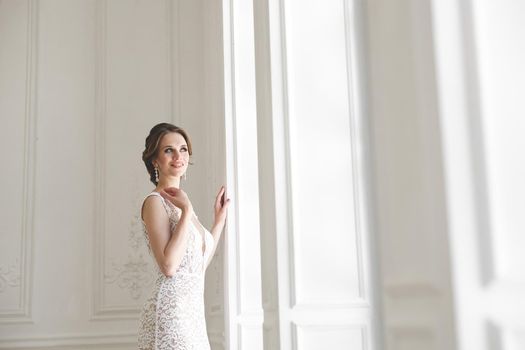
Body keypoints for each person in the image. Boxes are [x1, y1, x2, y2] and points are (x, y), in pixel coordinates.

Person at [137, 122, 230, 349]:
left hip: (194, 313)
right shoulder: (155, 202)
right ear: (155, 160)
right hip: (172, 311)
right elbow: (169, 267)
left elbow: (196, 267)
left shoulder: (184, 205)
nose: (178, 156)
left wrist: (218, 223)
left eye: (183, 149)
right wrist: (187, 211)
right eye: (168, 150)